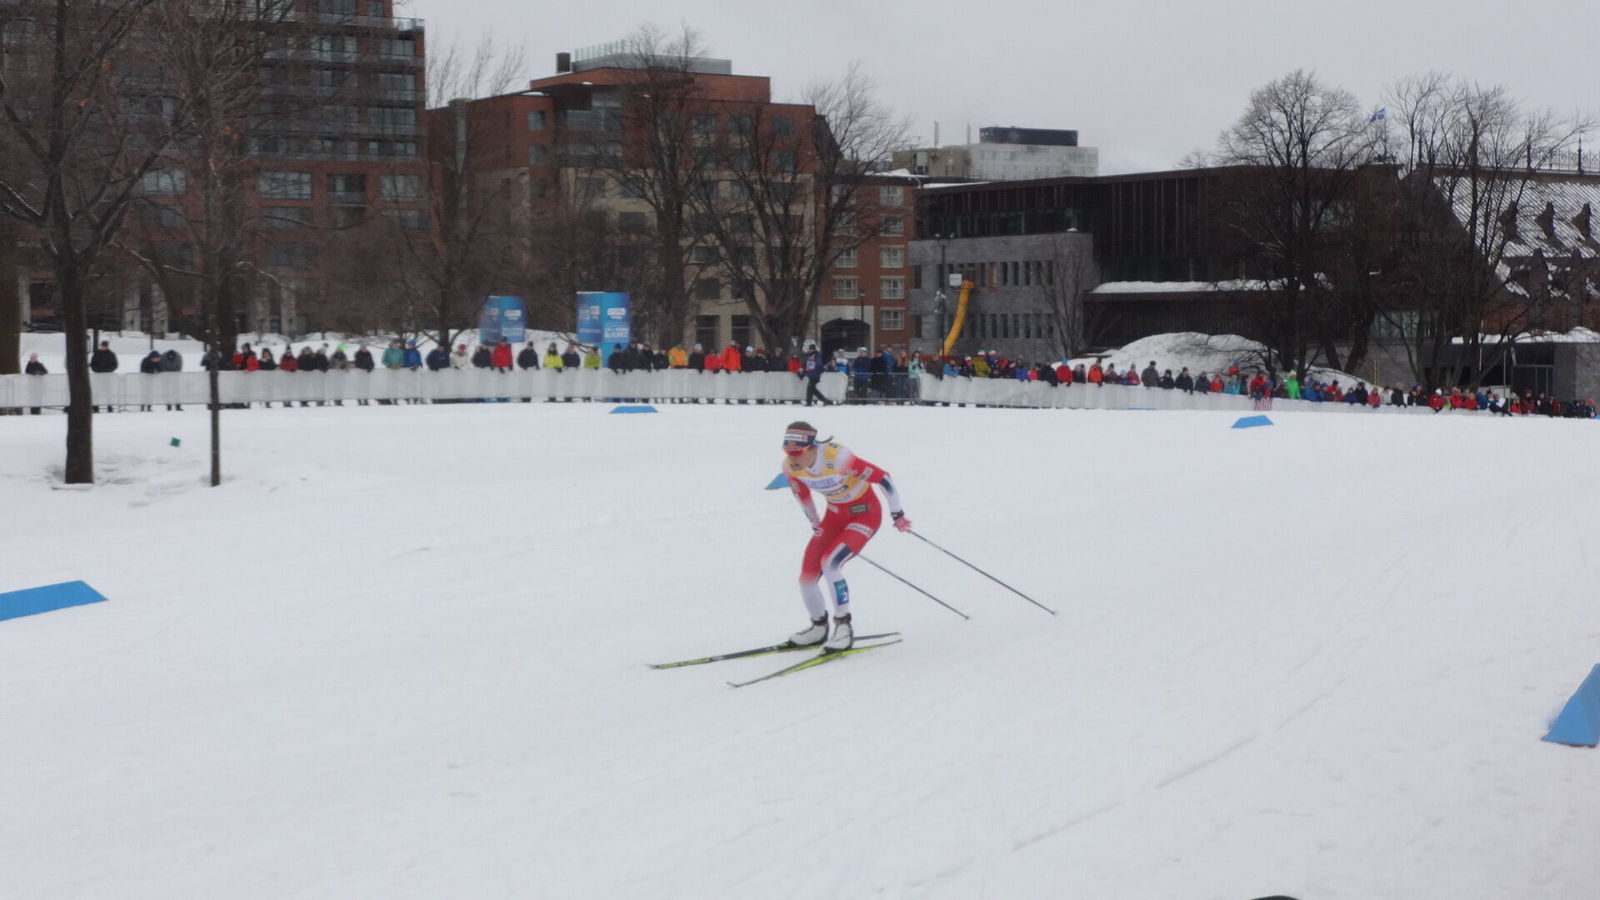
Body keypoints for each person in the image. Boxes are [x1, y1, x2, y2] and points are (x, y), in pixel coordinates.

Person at [779, 421, 912, 652]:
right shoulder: (790, 467)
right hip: (834, 516)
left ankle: (843, 627)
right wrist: (814, 521)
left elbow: (883, 478)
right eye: (787, 452)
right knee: (807, 576)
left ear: (811, 447)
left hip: (864, 515)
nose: (792, 458)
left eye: (797, 452)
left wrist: (897, 512)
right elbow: (802, 494)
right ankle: (818, 627)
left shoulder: (839, 458)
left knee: (831, 564)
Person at [800, 341, 827, 406]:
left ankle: (809, 403)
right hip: (811, 374)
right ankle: (824, 400)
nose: (810, 350)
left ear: (814, 349)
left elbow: (817, 363)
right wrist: (803, 372)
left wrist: (812, 367)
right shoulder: (809, 356)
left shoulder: (817, 355)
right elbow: (807, 365)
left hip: (815, 375)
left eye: (811, 349)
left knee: (810, 388)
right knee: (812, 389)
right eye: (809, 349)